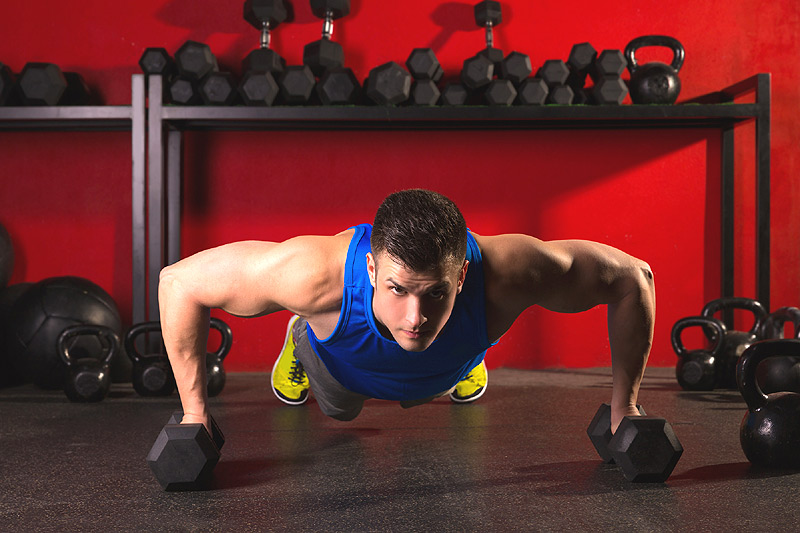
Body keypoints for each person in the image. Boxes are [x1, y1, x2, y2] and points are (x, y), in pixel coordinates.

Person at [158, 189, 655, 434]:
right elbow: (179, 282)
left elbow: (635, 279)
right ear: (371, 270)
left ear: (460, 276)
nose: (414, 314)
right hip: (341, 370)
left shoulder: (511, 273)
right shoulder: (311, 275)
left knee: (438, 361)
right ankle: (301, 336)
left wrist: (625, 408)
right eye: (397, 289)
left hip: (440, 367)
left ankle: (464, 353)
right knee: (341, 411)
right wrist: (194, 417)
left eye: (436, 293)